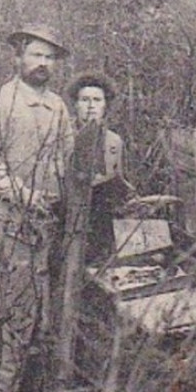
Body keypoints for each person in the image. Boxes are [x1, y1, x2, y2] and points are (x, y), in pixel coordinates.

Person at [0, 24, 76, 392]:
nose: (43, 64)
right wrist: (25, 195)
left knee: (30, 317)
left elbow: (65, 163)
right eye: (36, 55)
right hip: (0, 227)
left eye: (49, 57)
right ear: (18, 58)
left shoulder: (58, 108)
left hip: (40, 231)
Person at [65, 70, 134, 265]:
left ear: (105, 105)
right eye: (85, 100)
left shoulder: (114, 141)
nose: (90, 106)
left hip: (101, 220)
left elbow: (119, 178)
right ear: (76, 104)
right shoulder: (63, 136)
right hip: (70, 216)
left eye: (97, 100)